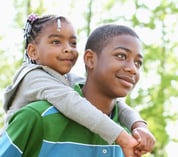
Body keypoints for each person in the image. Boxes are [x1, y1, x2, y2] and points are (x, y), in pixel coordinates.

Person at [1, 14, 155, 156]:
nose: (68, 48)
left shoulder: (68, 80)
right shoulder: (33, 79)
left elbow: (119, 105)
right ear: (33, 52)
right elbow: (73, 103)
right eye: (56, 42)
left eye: (73, 43)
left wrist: (138, 125)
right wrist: (122, 138)